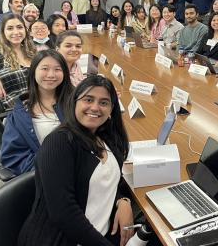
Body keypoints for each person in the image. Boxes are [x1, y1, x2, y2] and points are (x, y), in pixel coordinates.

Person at [18, 75, 133, 246]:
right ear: (75, 102)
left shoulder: (106, 138)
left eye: (104, 102)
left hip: (98, 235)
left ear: (112, 109)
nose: (95, 107)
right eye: (88, 99)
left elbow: (106, 180)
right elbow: (63, 213)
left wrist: (123, 201)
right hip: (59, 240)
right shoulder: (59, 142)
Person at [0, 50, 72, 176]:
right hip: (46, 179)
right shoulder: (20, 115)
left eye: (57, 69)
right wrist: (47, 169)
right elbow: (13, 157)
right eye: (45, 68)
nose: (51, 74)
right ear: (33, 72)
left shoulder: (76, 103)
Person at [0, 14, 36, 109]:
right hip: (13, 114)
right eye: (10, 28)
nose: (16, 32)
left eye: (19, 27)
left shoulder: (33, 53)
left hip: (41, 108)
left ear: (25, 30)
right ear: (3, 32)